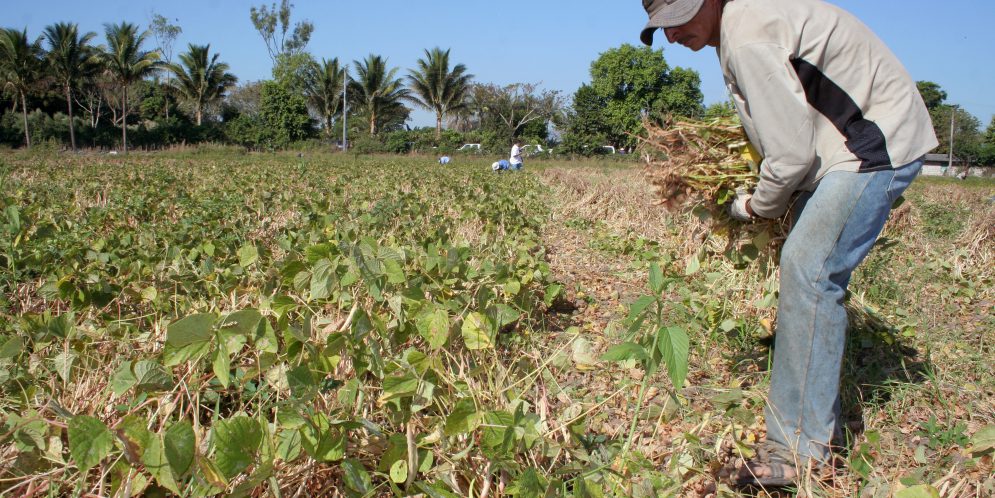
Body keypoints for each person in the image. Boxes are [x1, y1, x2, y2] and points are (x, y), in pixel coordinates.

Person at [640, 0, 937, 487]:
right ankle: (803, 430)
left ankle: (798, 451)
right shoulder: (742, 23)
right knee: (807, 267)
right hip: (852, 145)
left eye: (678, 20)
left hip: (872, 146)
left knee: (809, 269)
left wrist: (756, 205)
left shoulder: (747, 34)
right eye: (663, 29)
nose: (672, 36)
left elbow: (792, 153)